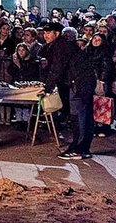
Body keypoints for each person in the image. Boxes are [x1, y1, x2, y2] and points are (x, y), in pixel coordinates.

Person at [40, 21, 96, 160]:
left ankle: (79, 149)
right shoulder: (61, 45)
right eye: (44, 32)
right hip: (79, 81)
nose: (45, 35)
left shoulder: (61, 46)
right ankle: (83, 147)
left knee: (79, 116)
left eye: (48, 32)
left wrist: (47, 88)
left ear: (57, 33)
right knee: (81, 116)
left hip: (79, 83)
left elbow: (57, 69)